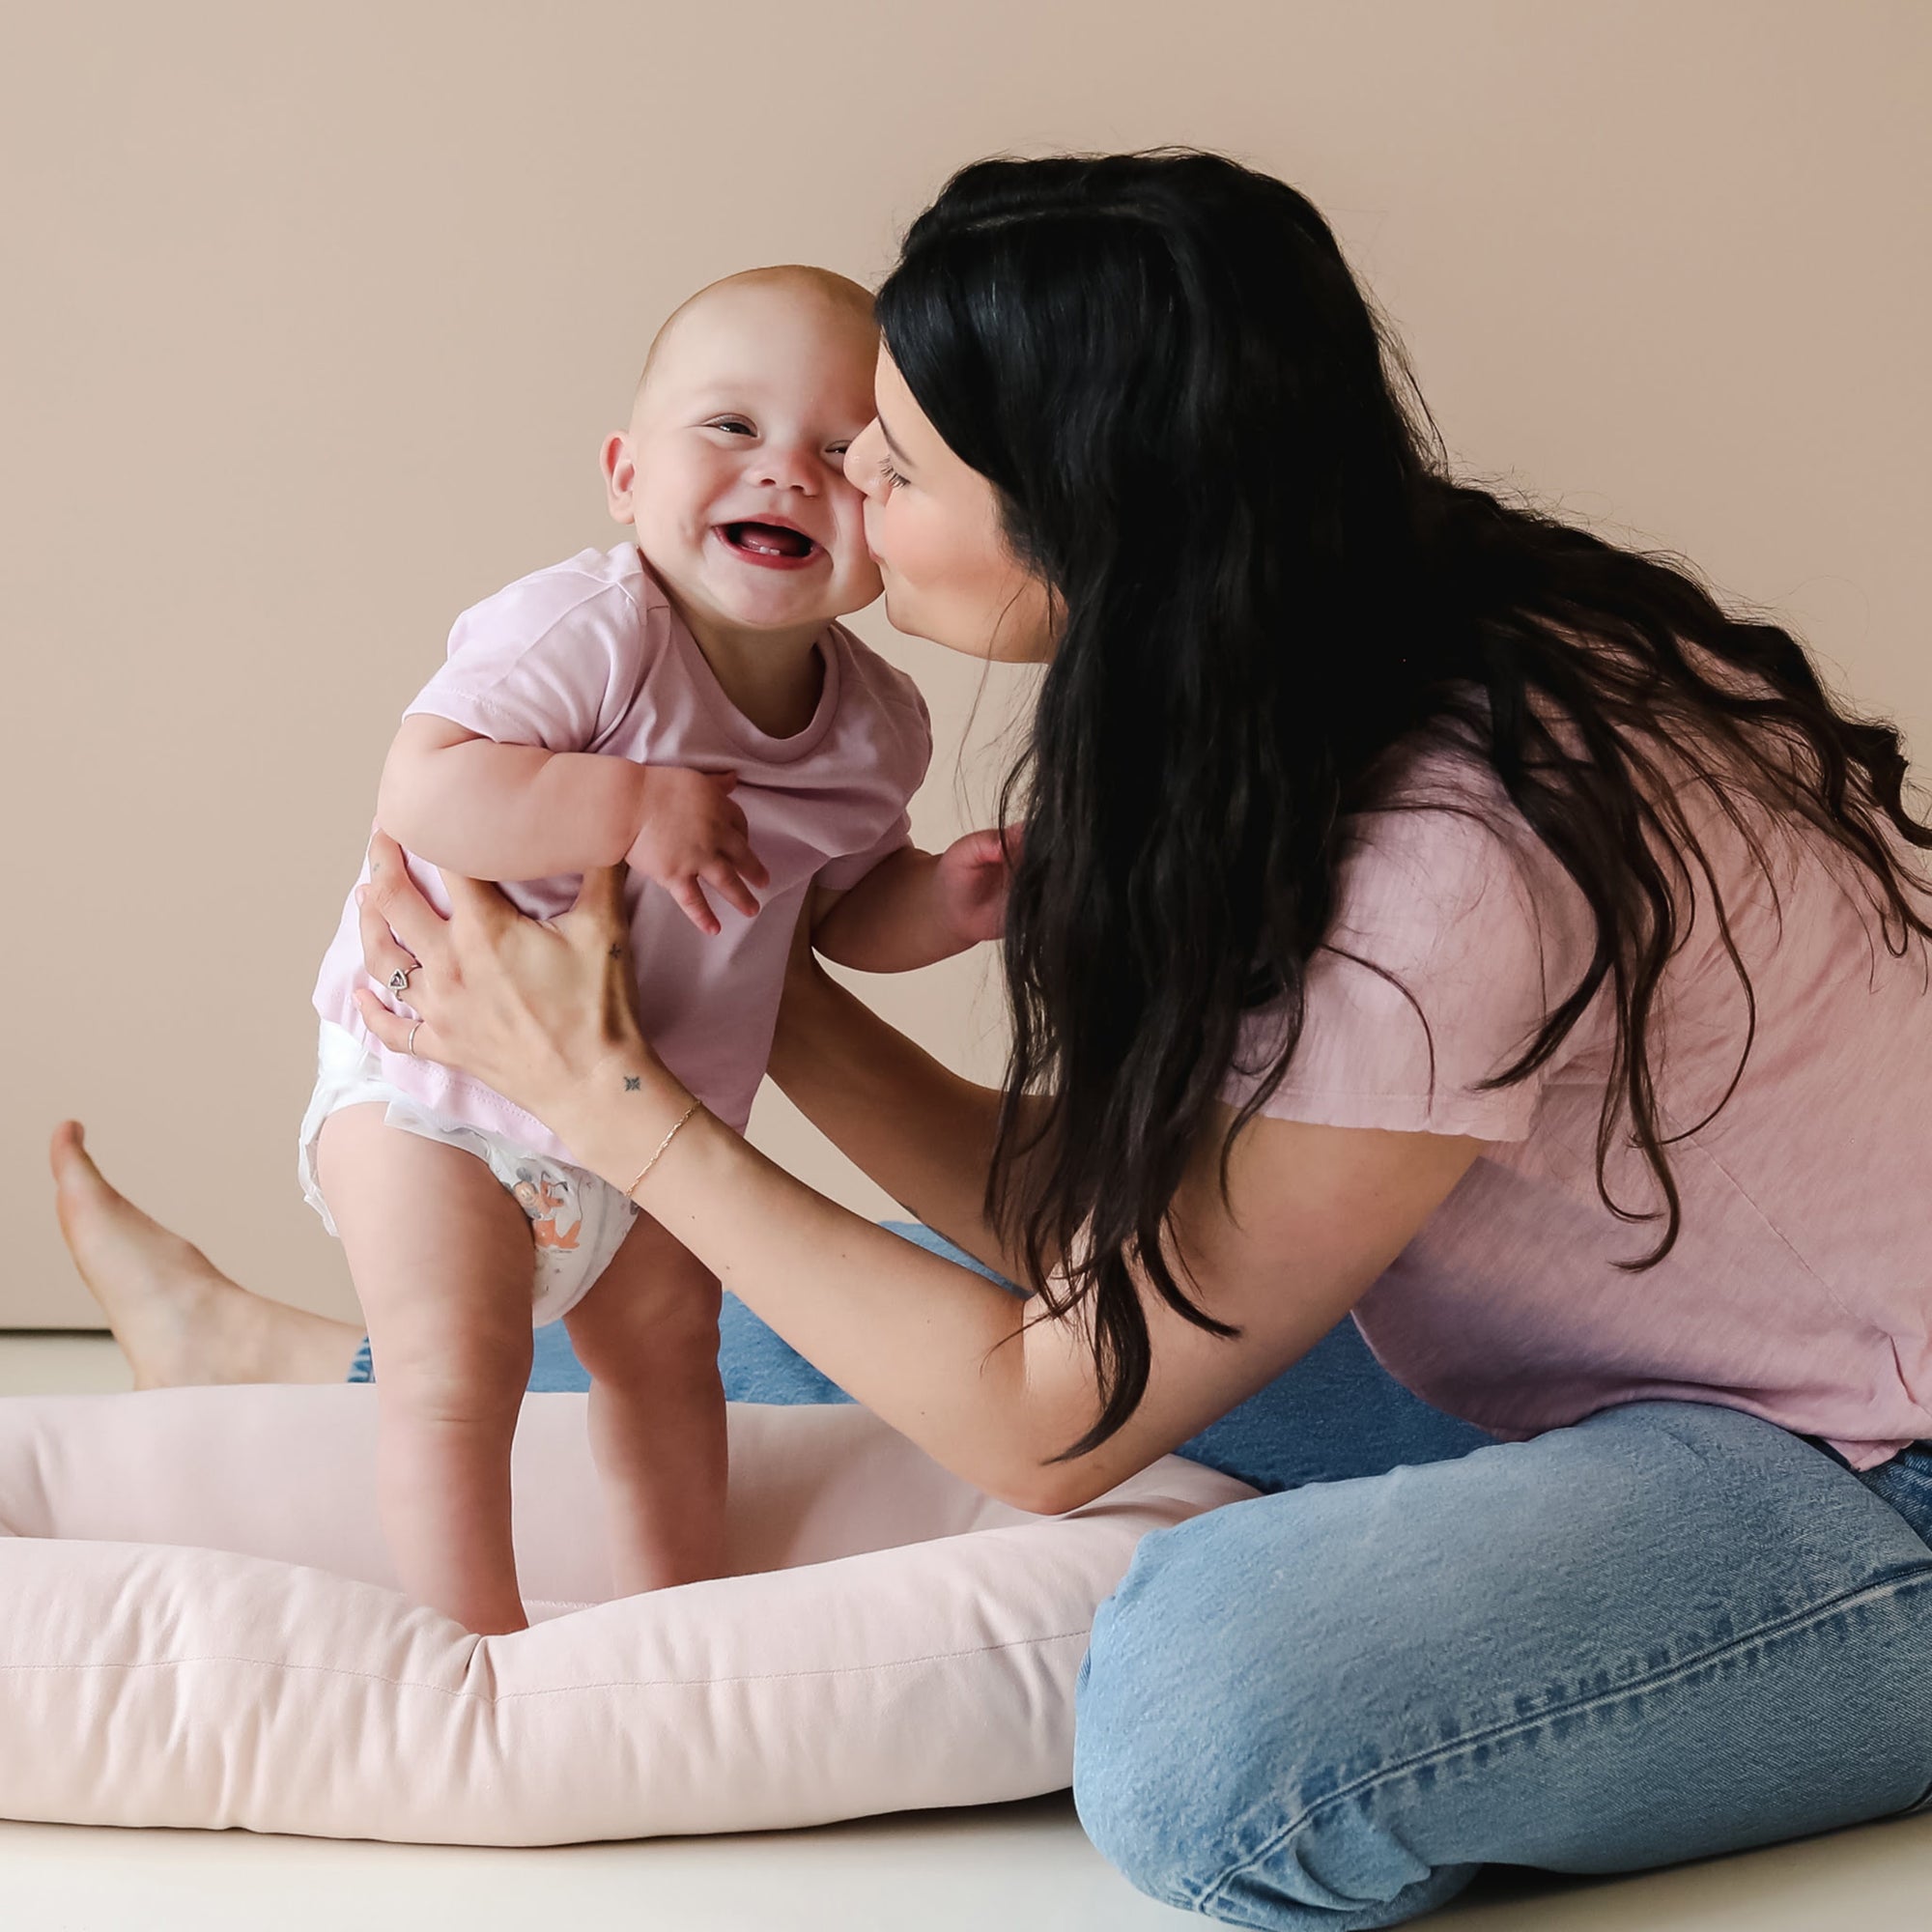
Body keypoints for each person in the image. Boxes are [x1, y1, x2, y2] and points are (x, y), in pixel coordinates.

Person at [48, 150, 1932, 1926]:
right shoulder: (1316, 655)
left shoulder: (1453, 856)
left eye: (895, 463)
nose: (841, 491)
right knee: (818, 1293)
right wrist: (718, 946)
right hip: (1583, 1321)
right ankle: (335, 1354)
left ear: (1084, 522)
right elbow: (1123, 1218)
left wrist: (616, 1099)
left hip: (1857, 1455)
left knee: (1208, 1726)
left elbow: (1052, 1422)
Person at [298, 264, 1009, 1632]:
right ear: (625, 474)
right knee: (460, 1365)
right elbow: (426, 786)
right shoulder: (592, 631)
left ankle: (677, 1623)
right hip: (435, 1092)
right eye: (731, 429)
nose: (786, 473)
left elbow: (836, 911)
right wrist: (631, 802)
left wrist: (946, 902)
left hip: (649, 1126)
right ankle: (479, 1656)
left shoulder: (877, 727)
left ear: (896, 516)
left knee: (677, 1361)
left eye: (842, 454)